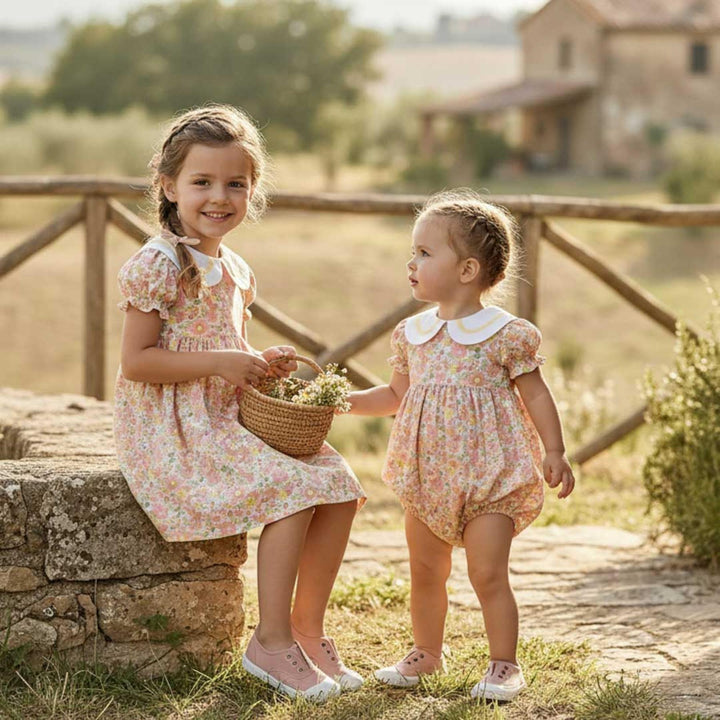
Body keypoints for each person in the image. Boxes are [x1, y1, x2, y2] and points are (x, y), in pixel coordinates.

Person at [114, 104, 365, 701]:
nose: (218, 196)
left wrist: (256, 360)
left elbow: (230, 347)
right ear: (169, 186)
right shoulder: (158, 263)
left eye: (236, 183)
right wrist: (221, 362)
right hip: (171, 429)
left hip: (224, 416)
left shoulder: (235, 269)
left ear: (252, 191)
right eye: (201, 182)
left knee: (340, 482)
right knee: (295, 488)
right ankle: (270, 643)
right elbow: (137, 362)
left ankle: (306, 628)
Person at [347, 190, 575, 702]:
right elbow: (396, 396)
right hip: (427, 475)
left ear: (468, 269)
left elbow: (536, 393)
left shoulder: (505, 335)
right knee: (425, 570)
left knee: (488, 572)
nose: (412, 262)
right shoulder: (411, 333)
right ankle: (426, 654)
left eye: (426, 254)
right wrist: (342, 402)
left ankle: (503, 665)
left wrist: (554, 451)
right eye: (413, 252)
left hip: (491, 477)